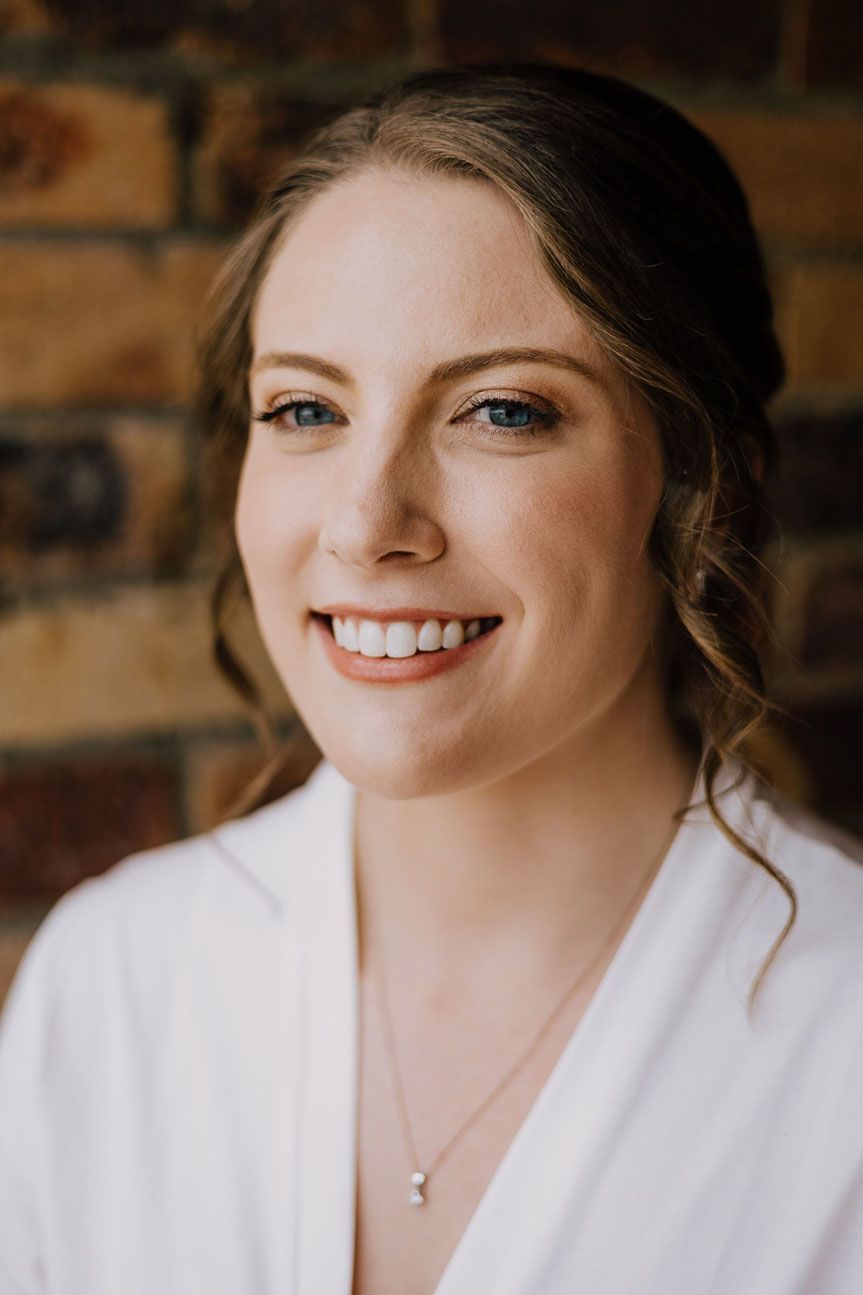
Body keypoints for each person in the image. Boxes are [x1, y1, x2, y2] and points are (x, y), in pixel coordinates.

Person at [1, 61, 861, 1295]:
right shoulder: (115, 989)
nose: (365, 524)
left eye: (501, 411)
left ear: (694, 478)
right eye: (303, 409)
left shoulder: (841, 1052)